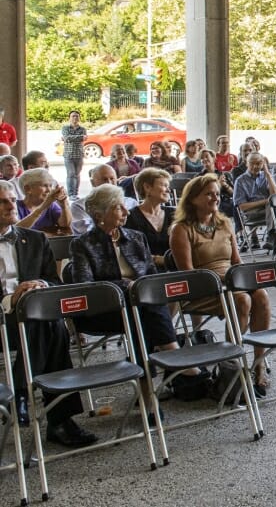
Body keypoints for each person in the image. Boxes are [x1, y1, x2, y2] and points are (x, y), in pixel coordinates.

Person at [70, 184, 198, 405]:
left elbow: (150, 273)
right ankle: (171, 353)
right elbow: (85, 285)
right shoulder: (82, 244)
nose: (127, 211)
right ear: (100, 215)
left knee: (141, 310)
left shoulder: (136, 238)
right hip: (102, 309)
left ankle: (147, 392)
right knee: (142, 309)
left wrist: (140, 288)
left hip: (138, 308)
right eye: (118, 207)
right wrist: (125, 285)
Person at [0, 180, 97, 446]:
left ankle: (21, 392)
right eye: (4, 202)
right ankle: (60, 420)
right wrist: (11, 299)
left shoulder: (34, 239)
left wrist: (39, 285)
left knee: (47, 320)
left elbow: (53, 282)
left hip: (32, 316)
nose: (12, 205)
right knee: (49, 324)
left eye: (12, 199)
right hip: (2, 319)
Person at [169, 173, 272, 396]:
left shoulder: (225, 224)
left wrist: (244, 277)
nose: (215, 198)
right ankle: (231, 364)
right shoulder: (181, 229)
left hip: (231, 281)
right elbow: (187, 272)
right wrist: (224, 282)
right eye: (208, 194)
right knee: (242, 299)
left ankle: (259, 363)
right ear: (193, 198)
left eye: (217, 193)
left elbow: (237, 261)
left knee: (261, 295)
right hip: (202, 288)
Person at [124, 168, 174, 268]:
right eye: (164, 185)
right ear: (147, 187)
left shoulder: (174, 214)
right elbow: (132, 253)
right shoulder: (130, 217)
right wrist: (160, 260)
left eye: (168, 186)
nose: (168, 190)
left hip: (174, 268)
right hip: (146, 273)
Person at [233, 152, 276, 253]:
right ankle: (274, 241)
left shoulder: (266, 176)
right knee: (275, 208)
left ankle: (274, 242)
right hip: (251, 213)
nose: (255, 166)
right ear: (246, 163)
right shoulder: (240, 181)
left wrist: (268, 174)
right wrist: (265, 202)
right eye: (252, 163)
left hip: (269, 211)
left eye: (258, 163)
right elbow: (242, 207)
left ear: (263, 164)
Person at [71, 164, 138, 234]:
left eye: (112, 179)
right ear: (92, 182)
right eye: (104, 179)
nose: (109, 183)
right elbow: (83, 230)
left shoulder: (131, 202)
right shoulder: (79, 206)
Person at [16, 168, 72, 236]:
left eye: (50, 186)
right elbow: (16, 231)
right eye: (44, 186)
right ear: (28, 189)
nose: (49, 190)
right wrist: (44, 206)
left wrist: (64, 206)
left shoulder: (52, 205)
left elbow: (65, 225)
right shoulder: (15, 207)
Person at [60, 110, 87, 197]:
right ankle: (71, 194)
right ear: (69, 118)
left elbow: (84, 138)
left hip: (79, 154)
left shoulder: (83, 129)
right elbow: (67, 138)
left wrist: (71, 138)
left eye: (76, 116)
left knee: (77, 175)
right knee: (71, 174)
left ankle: (76, 193)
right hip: (68, 155)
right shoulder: (65, 128)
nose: (75, 117)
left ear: (79, 118)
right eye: (73, 116)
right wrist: (80, 137)